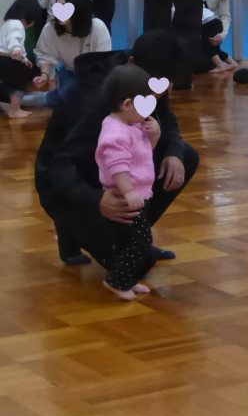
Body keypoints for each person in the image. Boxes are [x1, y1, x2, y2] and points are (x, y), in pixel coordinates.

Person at [35, 30, 197, 267]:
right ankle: (73, 227)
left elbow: (166, 117)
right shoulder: (94, 99)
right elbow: (61, 167)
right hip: (65, 185)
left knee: (186, 155)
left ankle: (134, 235)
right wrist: (96, 200)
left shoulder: (149, 79)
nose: (159, 93)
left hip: (111, 168)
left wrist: (174, 151)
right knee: (134, 269)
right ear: (132, 62)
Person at [94, 65, 159, 300]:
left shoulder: (132, 126)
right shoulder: (115, 132)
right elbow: (117, 165)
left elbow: (143, 155)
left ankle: (126, 278)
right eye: (146, 105)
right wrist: (129, 191)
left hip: (139, 194)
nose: (149, 112)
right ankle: (116, 280)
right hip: (125, 197)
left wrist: (153, 135)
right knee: (141, 239)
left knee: (127, 241)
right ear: (128, 104)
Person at [25, 0, 112, 108]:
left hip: (95, 77)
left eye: (65, 8)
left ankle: (42, 98)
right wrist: (44, 75)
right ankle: (32, 99)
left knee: (88, 99)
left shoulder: (97, 27)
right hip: (70, 72)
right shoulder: (51, 28)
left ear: (78, 10)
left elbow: (103, 60)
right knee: (70, 95)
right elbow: (45, 54)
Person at [0, 0, 47, 118]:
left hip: (3, 58)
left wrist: (25, 59)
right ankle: (15, 110)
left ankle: (14, 107)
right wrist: (16, 49)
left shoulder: (7, 23)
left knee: (9, 83)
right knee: (18, 85)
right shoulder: (17, 25)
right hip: (10, 60)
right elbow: (14, 41)